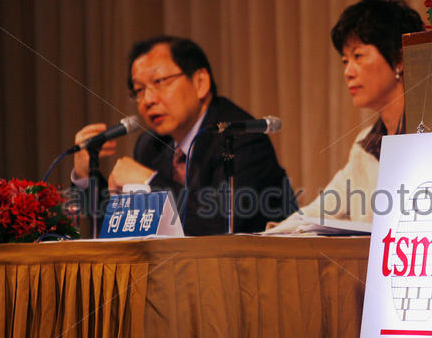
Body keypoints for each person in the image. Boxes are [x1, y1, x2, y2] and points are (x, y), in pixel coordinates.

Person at [72, 36, 296, 236]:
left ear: (200, 83)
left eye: (159, 82)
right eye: (139, 90)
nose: (148, 100)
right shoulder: (150, 146)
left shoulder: (241, 137)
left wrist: (150, 182)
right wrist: (86, 175)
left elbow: (219, 225)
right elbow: (124, 228)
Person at [268, 0, 424, 232]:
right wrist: (266, 236)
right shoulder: (365, 146)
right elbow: (315, 212)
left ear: (399, 59)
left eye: (358, 56)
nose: (348, 72)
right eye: (344, 60)